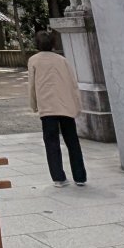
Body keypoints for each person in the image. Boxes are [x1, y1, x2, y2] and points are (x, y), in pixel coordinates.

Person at [28, 29, 86, 188]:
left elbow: (32, 86)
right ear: (53, 44)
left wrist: (34, 105)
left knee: (51, 142)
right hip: (66, 105)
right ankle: (80, 176)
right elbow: (73, 84)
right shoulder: (62, 60)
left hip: (47, 107)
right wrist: (77, 105)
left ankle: (58, 177)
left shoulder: (34, 60)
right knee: (72, 141)